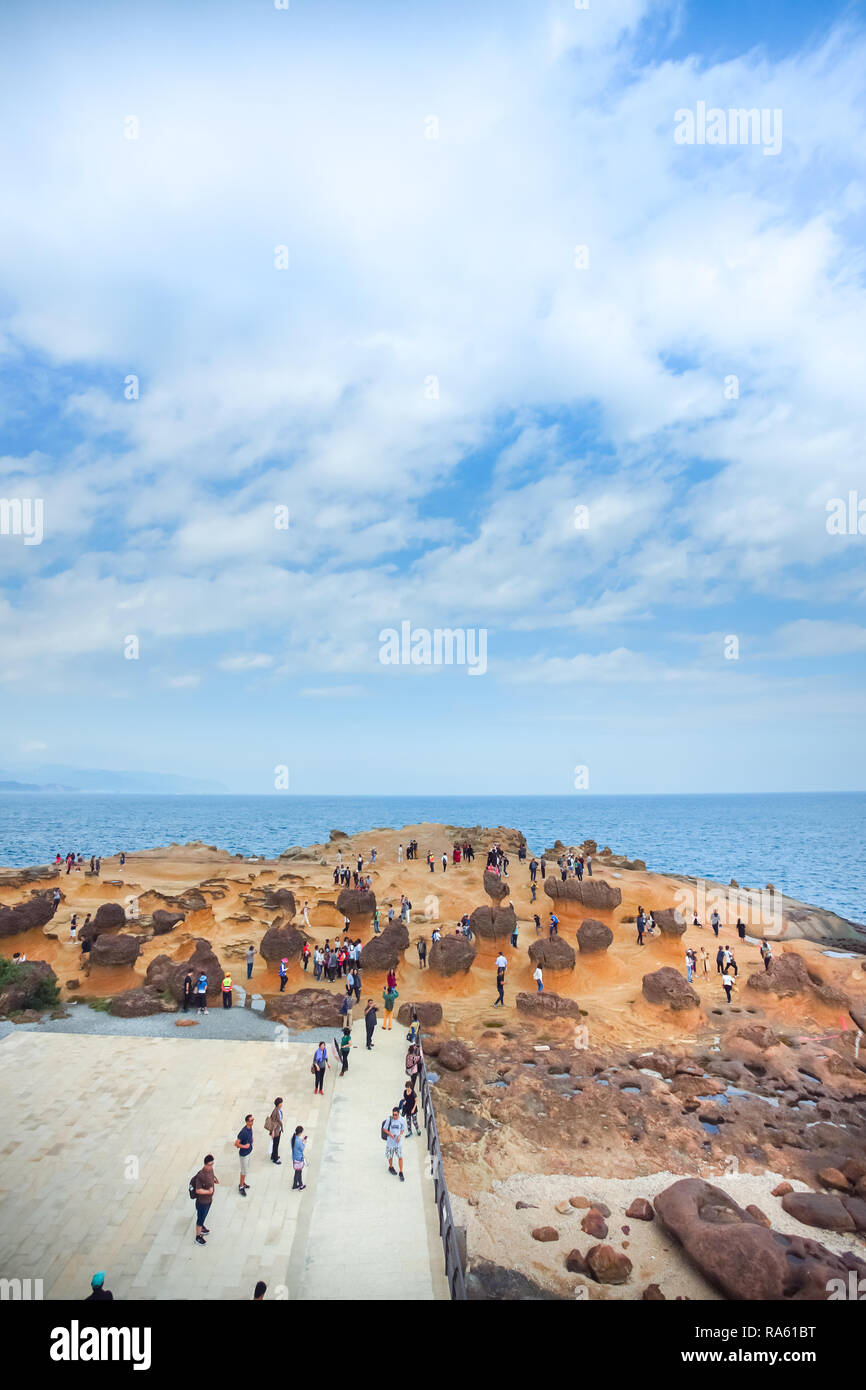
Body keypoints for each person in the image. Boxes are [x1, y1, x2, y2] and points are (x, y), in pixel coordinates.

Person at [193, 1154, 218, 1245]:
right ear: (205, 1164)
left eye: (212, 1164)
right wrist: (208, 1191)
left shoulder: (210, 1170)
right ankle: (198, 1237)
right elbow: (198, 1190)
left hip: (209, 1200)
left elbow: (212, 1175)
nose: (211, 1166)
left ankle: (202, 1228)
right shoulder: (201, 1175)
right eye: (210, 1164)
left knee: (204, 1216)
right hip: (202, 1202)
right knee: (200, 1219)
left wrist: (214, 1179)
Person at [384, 1107, 407, 1181]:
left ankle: (401, 1172)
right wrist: (390, 1134)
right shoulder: (389, 1119)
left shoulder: (401, 1120)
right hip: (390, 1143)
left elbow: (403, 1129)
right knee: (390, 1156)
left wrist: (400, 1136)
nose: (394, 1116)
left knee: (400, 1157)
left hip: (398, 1143)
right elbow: (384, 1129)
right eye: (393, 1114)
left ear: (398, 1114)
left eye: (396, 1115)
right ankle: (390, 1167)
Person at [235, 1113, 254, 1196]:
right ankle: (241, 1186)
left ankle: (242, 1183)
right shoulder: (243, 1132)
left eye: (253, 1120)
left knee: (245, 1170)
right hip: (244, 1155)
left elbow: (250, 1136)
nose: (252, 1122)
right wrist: (245, 1146)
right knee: (244, 1171)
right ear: (247, 1122)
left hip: (248, 1153)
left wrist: (252, 1139)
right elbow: (236, 1144)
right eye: (251, 1121)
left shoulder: (250, 1128)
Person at [265, 1098, 284, 1163]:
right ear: (278, 1104)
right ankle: (275, 1159)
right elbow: (272, 1122)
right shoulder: (275, 1112)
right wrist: (272, 1131)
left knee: (276, 1144)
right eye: (281, 1103)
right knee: (275, 1145)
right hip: (275, 1131)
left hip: (278, 1129)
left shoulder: (279, 1110)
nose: (282, 1104)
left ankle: (273, 1155)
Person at [291, 1126, 307, 1190]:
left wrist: (301, 1141)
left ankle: (297, 1184)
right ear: (300, 1133)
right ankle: (299, 1185)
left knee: (297, 1171)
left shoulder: (293, 1138)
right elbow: (302, 1148)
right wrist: (304, 1142)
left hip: (294, 1157)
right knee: (298, 1172)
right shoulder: (298, 1141)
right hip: (299, 1158)